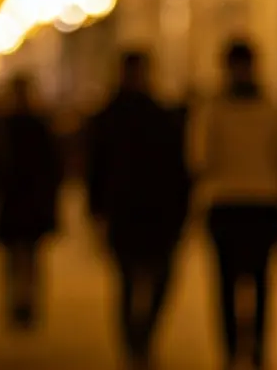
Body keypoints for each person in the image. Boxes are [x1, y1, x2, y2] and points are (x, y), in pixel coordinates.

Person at [190, 42, 277, 369]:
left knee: (234, 283)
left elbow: (198, 158)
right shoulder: (269, 109)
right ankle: (249, 349)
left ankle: (238, 350)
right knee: (253, 282)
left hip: (234, 204)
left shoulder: (213, 110)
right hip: (252, 204)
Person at [86, 51, 190, 370]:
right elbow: (96, 167)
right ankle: (134, 344)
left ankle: (142, 338)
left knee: (158, 280)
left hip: (156, 211)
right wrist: (97, 209)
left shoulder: (160, 115)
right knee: (129, 281)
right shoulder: (111, 116)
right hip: (126, 210)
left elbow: (179, 166)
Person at [0, 76, 61, 330]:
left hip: (24, 203)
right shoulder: (29, 126)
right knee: (20, 257)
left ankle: (23, 302)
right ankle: (21, 302)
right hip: (20, 203)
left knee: (23, 257)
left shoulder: (18, 126)